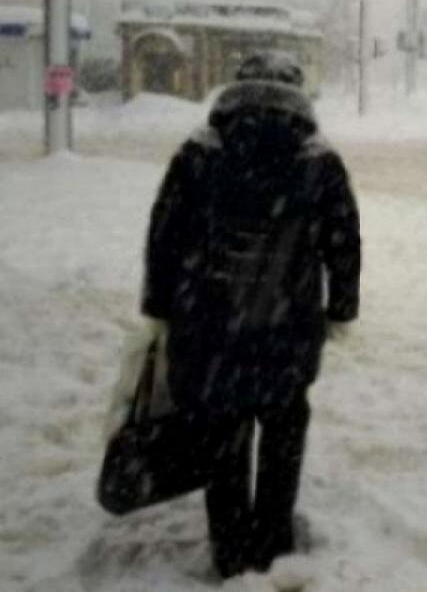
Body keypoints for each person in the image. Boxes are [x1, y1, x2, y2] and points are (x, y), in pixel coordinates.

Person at [140, 52, 361, 578]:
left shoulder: (199, 151)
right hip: (288, 329)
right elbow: (344, 241)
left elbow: (164, 234)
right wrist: (342, 309)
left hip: (210, 329)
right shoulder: (317, 158)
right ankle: (275, 540)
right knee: (284, 431)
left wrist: (158, 306)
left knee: (222, 435)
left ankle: (231, 548)